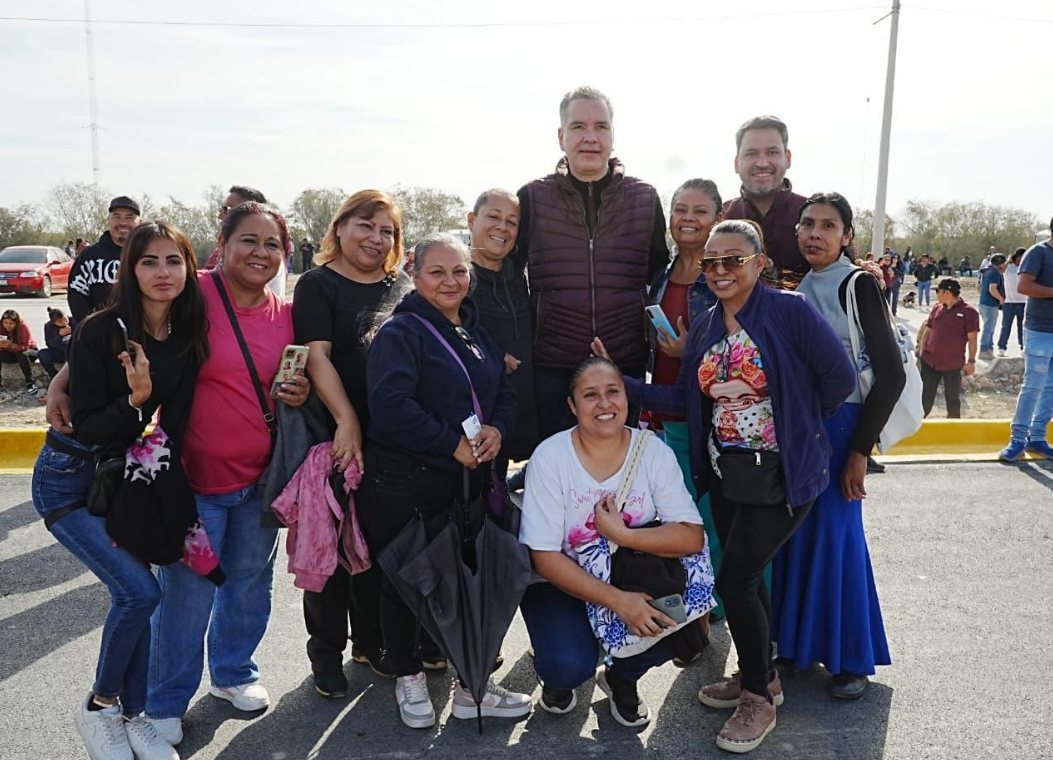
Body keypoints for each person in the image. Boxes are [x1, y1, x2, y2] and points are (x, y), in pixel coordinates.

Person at [605, 219, 856, 753]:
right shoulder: (704, 326)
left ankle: (758, 697)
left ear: (760, 262)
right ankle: (761, 675)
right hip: (727, 472)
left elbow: (838, 378)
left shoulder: (789, 312)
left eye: (733, 260)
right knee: (749, 577)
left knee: (735, 579)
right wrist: (618, 383)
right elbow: (684, 399)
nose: (719, 270)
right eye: (711, 262)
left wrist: (796, 424)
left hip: (783, 472)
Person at [35, 221, 211, 760]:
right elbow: (88, 427)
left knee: (139, 594)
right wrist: (136, 400)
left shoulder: (186, 334)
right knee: (140, 593)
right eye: (149, 261)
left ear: (189, 269)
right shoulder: (100, 331)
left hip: (129, 483)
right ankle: (100, 706)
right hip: (70, 480)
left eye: (174, 261)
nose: (163, 273)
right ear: (129, 269)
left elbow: (171, 424)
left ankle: (133, 716)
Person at [359, 233, 532, 729]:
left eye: (459, 271)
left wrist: (498, 430)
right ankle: (408, 676)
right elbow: (391, 407)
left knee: (466, 582)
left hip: (466, 482)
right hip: (407, 482)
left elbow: (503, 392)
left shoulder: (474, 329)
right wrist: (448, 442)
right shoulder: (401, 332)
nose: (450, 281)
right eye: (437, 272)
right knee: (405, 582)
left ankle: (471, 685)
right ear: (415, 275)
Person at [517, 356, 707, 728]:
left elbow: (690, 536)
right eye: (590, 395)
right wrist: (620, 602)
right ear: (572, 405)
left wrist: (622, 534)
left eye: (613, 392)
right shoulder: (550, 457)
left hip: (633, 571)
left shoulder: (653, 451)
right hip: (563, 581)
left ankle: (622, 675)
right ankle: (558, 675)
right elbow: (544, 557)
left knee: (689, 630)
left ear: (626, 397)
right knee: (567, 665)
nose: (604, 403)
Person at [774, 192, 902, 701]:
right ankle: (798, 648)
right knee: (799, 535)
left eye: (829, 226)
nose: (815, 234)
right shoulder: (799, 286)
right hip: (803, 427)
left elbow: (891, 375)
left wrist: (859, 451)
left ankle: (850, 659)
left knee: (837, 537)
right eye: (807, 224)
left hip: (843, 429)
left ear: (847, 235)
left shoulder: (858, 284)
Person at [293, 189, 413, 696]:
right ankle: (326, 655)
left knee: (373, 546)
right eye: (365, 225)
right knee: (329, 551)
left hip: (390, 441)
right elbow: (316, 356)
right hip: (334, 437)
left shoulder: (402, 286)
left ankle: (369, 641)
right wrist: (346, 421)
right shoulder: (317, 285)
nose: (375, 238)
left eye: (387, 231)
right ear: (340, 228)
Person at [513, 85, 670, 440]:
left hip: (622, 365)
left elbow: (658, 276)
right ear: (561, 136)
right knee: (556, 466)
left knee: (620, 468)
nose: (590, 137)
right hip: (552, 369)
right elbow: (510, 277)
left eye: (600, 126)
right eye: (578, 127)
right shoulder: (532, 197)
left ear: (613, 135)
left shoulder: (644, 198)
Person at [644, 178, 724, 625]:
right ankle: (697, 607)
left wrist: (689, 351)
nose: (688, 219)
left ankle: (718, 609)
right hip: (665, 415)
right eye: (680, 210)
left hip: (709, 417)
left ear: (717, 218)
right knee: (681, 518)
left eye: (700, 211)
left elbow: (741, 344)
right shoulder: (661, 275)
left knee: (710, 520)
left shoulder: (721, 275)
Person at [467, 188, 540, 476]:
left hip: (521, 405)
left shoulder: (519, 277)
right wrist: (491, 357)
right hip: (478, 413)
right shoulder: (456, 276)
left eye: (511, 222)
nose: (502, 227)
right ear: (472, 220)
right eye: (493, 217)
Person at [722, 115, 809, 287]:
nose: (762, 163)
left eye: (772, 152)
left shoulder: (814, 216)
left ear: (788, 158)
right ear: (737, 163)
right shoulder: (721, 218)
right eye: (751, 153)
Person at [999, 225, 1053, 461]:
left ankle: (1038, 437)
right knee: (1033, 387)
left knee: (1051, 389)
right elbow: (1024, 287)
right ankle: (1017, 440)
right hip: (1040, 330)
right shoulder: (1038, 253)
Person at [204, 186, 288, 300]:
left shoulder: (265, 265)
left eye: (227, 209)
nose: (220, 216)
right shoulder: (198, 286)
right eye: (249, 241)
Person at [68, 196, 142, 323]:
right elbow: (76, 295)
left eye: (129, 217)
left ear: (140, 222)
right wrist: (90, 327)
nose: (122, 222)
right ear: (108, 221)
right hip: (99, 331)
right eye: (116, 217)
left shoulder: (149, 254)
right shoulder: (89, 256)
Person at [915, 278, 979, 418]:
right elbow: (928, 329)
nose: (936, 294)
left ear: (947, 293)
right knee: (925, 398)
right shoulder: (937, 308)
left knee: (952, 399)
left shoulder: (969, 312)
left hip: (953, 364)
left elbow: (972, 339)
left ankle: (954, 427)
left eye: (938, 291)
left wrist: (971, 361)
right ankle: (919, 425)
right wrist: (922, 350)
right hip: (930, 362)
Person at [0, 308, 40, 394]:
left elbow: (25, 346)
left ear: (16, 323)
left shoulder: (23, 327)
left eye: (11, 323)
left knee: (22, 354)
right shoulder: (1, 327)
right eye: (5, 323)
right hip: (11, 352)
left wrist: (12, 345)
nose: (8, 326)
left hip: (29, 352)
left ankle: (30, 382)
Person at [998, 248, 1027, 356]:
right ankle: (1002, 347)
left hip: (1024, 302)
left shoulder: (1026, 268)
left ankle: (1023, 346)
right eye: (1020, 258)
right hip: (1009, 302)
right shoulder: (1009, 268)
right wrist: (1008, 261)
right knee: (1006, 326)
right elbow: (1000, 270)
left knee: (1022, 327)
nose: (1021, 260)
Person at [978, 253, 1007, 359]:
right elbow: (992, 288)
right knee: (988, 329)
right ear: (1000, 263)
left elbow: (979, 286)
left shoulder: (986, 271)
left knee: (989, 328)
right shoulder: (995, 273)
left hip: (983, 303)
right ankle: (984, 350)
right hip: (990, 304)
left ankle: (989, 349)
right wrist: (1001, 298)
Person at [38, 307, 73, 379]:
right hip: (58, 352)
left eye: (65, 319)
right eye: (60, 322)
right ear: (54, 323)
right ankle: (54, 376)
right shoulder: (48, 326)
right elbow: (50, 344)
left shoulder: (73, 322)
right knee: (42, 354)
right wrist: (60, 336)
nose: (64, 322)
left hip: (72, 352)